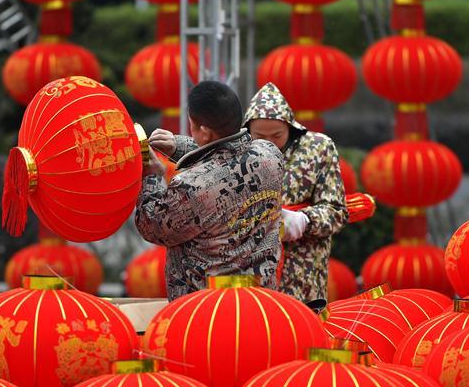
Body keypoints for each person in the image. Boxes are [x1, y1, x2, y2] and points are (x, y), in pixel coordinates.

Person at [136, 81, 284, 300]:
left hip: (209, 306)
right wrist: (180, 146)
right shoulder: (270, 154)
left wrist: (152, 175)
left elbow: (152, 226)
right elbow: (230, 158)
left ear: (204, 131)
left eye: (193, 126)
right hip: (260, 297)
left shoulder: (191, 187)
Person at [244, 82, 348, 303]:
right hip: (250, 275)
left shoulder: (318, 148)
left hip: (303, 275)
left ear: (290, 128)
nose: (268, 143)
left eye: (276, 135)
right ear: (247, 131)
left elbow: (337, 212)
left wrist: (303, 220)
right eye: (259, 136)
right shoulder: (237, 152)